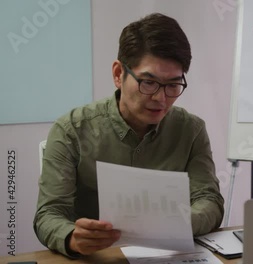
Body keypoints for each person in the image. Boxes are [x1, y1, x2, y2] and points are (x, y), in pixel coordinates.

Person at [34, 13, 224, 258]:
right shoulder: (72, 130)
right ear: (118, 74)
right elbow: (48, 214)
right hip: (98, 257)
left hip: (167, 255)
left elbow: (209, 199)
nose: (160, 98)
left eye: (173, 85)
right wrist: (72, 237)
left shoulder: (191, 130)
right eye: (148, 82)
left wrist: (179, 223)